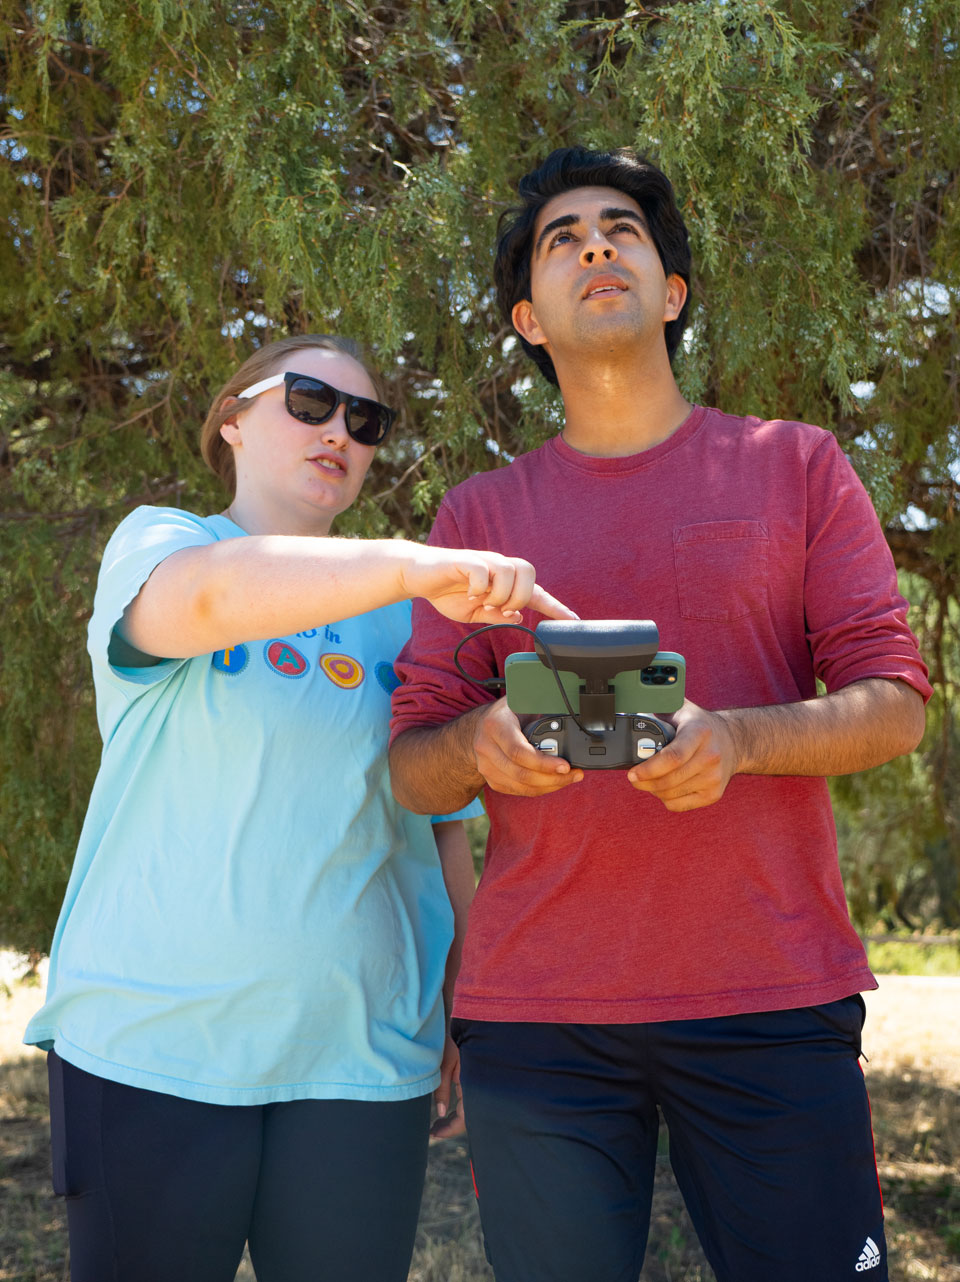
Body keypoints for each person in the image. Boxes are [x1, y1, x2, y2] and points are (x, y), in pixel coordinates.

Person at [388, 147, 931, 1282]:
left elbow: (894, 706)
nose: (595, 243)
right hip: (538, 1019)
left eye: (621, 228)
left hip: (774, 991)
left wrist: (736, 741)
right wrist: (479, 746)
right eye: (562, 236)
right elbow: (410, 769)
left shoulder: (799, 468)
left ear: (670, 292)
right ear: (529, 320)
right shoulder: (477, 518)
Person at [24, 332, 573, 1282]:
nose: (341, 433)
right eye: (311, 401)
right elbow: (203, 603)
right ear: (232, 421)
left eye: (366, 421)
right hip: (150, 1049)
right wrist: (415, 563)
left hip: (359, 1060)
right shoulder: (164, 543)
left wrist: (464, 1000)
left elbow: (443, 825)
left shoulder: (412, 618)